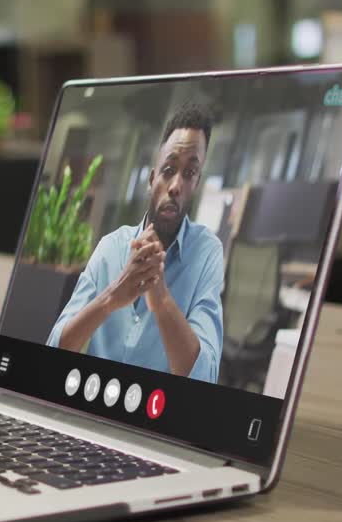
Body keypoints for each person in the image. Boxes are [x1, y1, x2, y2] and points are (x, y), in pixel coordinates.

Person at [47, 105, 225, 383]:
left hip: (157, 418)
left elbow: (205, 377)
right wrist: (111, 298)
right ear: (152, 178)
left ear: (197, 184)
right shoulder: (110, 247)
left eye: (190, 173)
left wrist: (162, 300)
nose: (176, 185)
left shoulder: (207, 252)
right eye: (169, 169)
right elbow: (54, 352)